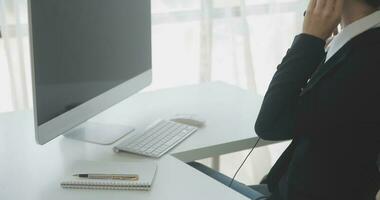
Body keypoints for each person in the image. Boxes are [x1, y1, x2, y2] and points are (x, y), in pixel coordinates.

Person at [189, 0, 380, 199]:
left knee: (186, 173)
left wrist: (309, 39)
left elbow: (270, 124)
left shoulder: (364, 59)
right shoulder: (358, 42)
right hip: (287, 187)